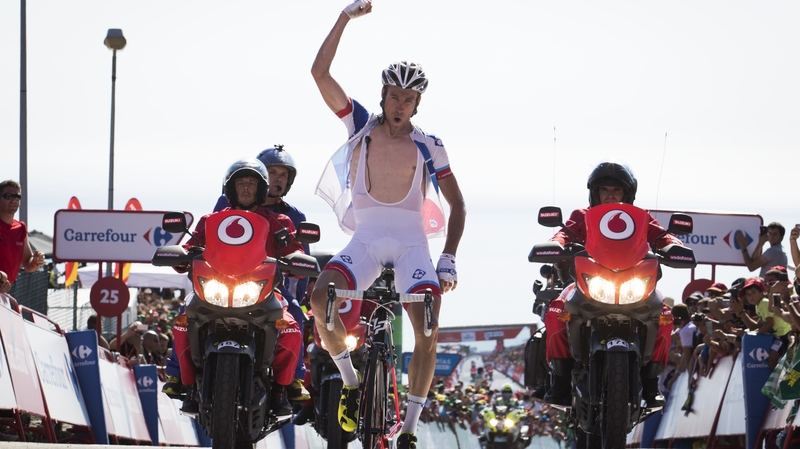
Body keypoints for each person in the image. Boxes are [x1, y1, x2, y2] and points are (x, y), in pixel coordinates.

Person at [310, 2, 467, 447]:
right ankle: (351, 382)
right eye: (394, 96)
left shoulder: (429, 145)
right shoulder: (360, 124)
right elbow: (320, 74)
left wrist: (449, 257)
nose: (400, 105)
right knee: (320, 298)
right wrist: (343, 19)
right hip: (365, 240)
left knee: (428, 328)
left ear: (418, 103)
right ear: (383, 96)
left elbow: (459, 206)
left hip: (412, 246)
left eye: (409, 99)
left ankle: (410, 431)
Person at [162, 158, 305, 416]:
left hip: (263, 290)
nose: (247, 188)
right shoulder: (210, 220)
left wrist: (296, 258)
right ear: (230, 188)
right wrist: (181, 257)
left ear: (262, 188)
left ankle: (284, 387)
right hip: (215, 289)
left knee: (292, 328)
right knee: (183, 320)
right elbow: (189, 247)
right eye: (241, 183)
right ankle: (183, 380)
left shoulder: (280, 221)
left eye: (252, 183)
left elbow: (296, 251)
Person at [543, 162, 681, 408]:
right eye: (604, 189)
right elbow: (564, 234)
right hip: (588, 282)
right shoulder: (581, 216)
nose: (609, 194)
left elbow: (662, 236)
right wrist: (555, 243)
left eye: (616, 190)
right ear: (594, 192)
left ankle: (650, 384)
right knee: (556, 310)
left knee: (665, 315)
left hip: (633, 283)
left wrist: (675, 246)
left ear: (627, 194)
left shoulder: (642, 217)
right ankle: (561, 380)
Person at [213, 145, 311, 405]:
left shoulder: (293, 216)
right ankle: (178, 375)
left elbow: (302, 261)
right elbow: (208, 238)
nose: (277, 178)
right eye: (272, 172)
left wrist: (299, 292)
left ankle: (292, 380)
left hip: (271, 285)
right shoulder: (226, 203)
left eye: (283, 175)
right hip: (223, 282)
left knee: (295, 314)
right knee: (187, 312)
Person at [0, 180, 46, 293]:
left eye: (17, 196)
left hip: (3, 295)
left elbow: (27, 263)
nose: (13, 200)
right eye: (8, 196)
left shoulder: (20, 228)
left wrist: (35, 262)